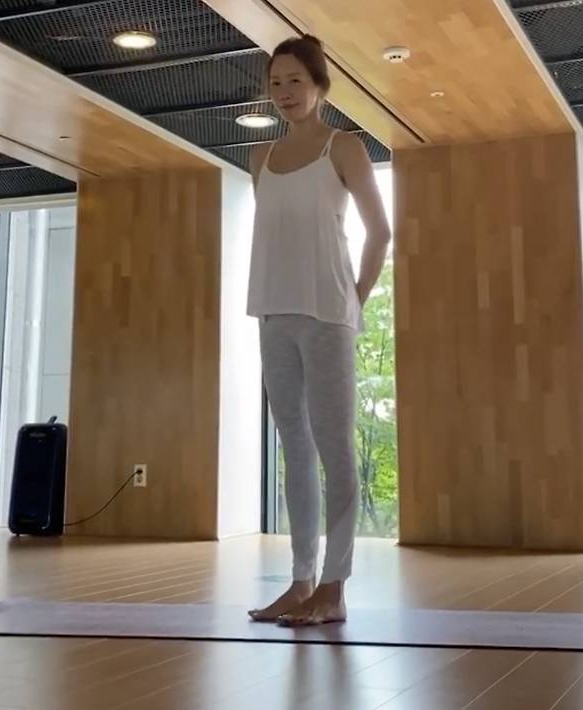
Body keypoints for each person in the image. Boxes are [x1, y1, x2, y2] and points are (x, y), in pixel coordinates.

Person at [246, 34, 391, 626]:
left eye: (296, 81)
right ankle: (301, 580)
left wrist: (355, 298)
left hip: (328, 315)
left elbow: (380, 231)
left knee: (335, 449)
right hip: (273, 313)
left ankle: (334, 588)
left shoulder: (344, 147)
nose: (284, 92)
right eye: (276, 82)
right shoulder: (259, 158)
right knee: (294, 449)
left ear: (319, 86)